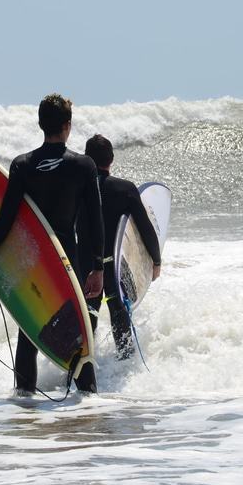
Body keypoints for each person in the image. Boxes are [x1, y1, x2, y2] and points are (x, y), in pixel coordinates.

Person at [0, 94, 104, 395]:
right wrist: (97, 267)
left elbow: (6, 218)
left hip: (33, 262)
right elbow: (94, 221)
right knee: (77, 337)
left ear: (40, 125)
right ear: (67, 126)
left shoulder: (22, 165)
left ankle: (25, 403)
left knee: (28, 332)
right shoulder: (83, 166)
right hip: (67, 261)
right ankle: (88, 404)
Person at [78, 134, 161, 360]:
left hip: (85, 265)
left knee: (87, 318)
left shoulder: (77, 190)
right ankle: (122, 368)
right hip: (116, 264)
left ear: (87, 159)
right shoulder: (124, 189)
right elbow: (145, 228)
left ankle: (81, 369)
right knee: (119, 315)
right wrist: (156, 260)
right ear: (111, 159)